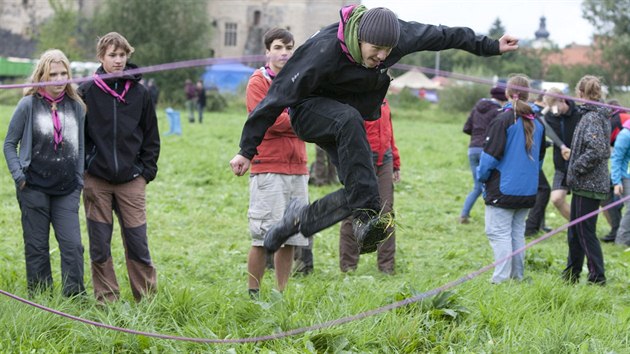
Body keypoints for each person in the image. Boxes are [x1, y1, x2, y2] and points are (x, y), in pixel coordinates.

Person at [229, 5, 519, 255]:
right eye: (375, 49)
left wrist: (491, 46)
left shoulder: (398, 37)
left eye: (387, 51)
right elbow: (275, 97)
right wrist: (246, 150)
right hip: (308, 113)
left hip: (345, 118)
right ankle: (367, 215)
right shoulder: (321, 52)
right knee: (349, 124)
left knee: (360, 185)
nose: (381, 56)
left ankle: (298, 221)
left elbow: (444, 35)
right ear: (359, 38)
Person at [78, 32, 160, 302]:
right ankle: (107, 299)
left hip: (131, 179)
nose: (118, 60)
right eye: (112, 55)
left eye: (122, 55)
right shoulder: (87, 91)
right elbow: (78, 134)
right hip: (97, 180)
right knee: (100, 245)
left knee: (137, 241)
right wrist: (86, 168)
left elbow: (151, 135)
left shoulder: (140, 92)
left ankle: (146, 298)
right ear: (101, 57)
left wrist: (145, 172)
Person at [3, 49, 86, 297]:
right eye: (53, 74)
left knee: (73, 247)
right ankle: (41, 298)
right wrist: (19, 177)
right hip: (33, 188)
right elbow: (9, 144)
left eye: (64, 73)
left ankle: (75, 298)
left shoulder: (76, 106)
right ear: (42, 76)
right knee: (37, 247)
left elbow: (80, 145)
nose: (59, 79)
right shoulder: (28, 105)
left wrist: (79, 179)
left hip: (67, 189)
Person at [244, 28, 309, 298]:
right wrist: (301, 121)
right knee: (263, 237)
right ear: (268, 51)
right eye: (279, 47)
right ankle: (253, 293)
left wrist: (299, 120)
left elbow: (312, 113)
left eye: (289, 48)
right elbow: (268, 119)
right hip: (269, 167)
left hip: (298, 167)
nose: (284, 53)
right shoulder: (258, 82)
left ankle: (281, 292)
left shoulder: (300, 81)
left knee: (291, 237)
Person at [477, 75, 546, 284]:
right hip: (528, 191)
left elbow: (489, 158)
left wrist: (482, 178)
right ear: (528, 94)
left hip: (503, 189)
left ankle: (499, 280)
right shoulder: (539, 122)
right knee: (516, 234)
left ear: (507, 93)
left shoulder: (504, 119)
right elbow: (540, 160)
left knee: (498, 234)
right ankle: (517, 277)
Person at [339, 98, 400, 274]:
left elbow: (390, 133)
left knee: (386, 213)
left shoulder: (385, 102)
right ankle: (348, 267)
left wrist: (395, 161)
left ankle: (387, 268)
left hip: (384, 161)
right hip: (361, 160)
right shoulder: (356, 100)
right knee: (353, 213)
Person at [563, 75, 609, 285]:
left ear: (581, 93)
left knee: (584, 232)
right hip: (585, 184)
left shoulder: (592, 117)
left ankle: (597, 277)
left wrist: (576, 166)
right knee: (575, 232)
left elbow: (597, 150)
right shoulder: (593, 115)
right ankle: (571, 274)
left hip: (588, 184)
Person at [460, 86, 507, 224]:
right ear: (503, 99)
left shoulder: (476, 109)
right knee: (493, 185)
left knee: (478, 186)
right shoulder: (498, 111)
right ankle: (495, 217)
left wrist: (477, 135)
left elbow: (466, 128)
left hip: (472, 149)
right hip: (487, 150)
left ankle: (464, 214)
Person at [541, 87, 582, 221]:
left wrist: (574, 152)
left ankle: (617, 230)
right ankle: (577, 226)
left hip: (581, 165)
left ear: (562, 99)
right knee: (557, 199)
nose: (554, 110)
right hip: (561, 166)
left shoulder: (579, 114)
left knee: (599, 199)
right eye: (551, 106)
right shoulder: (549, 116)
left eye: (555, 105)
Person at [611, 116, 630, 246]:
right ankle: (622, 241)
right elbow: (616, 159)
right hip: (625, 177)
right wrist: (616, 182)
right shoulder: (625, 135)